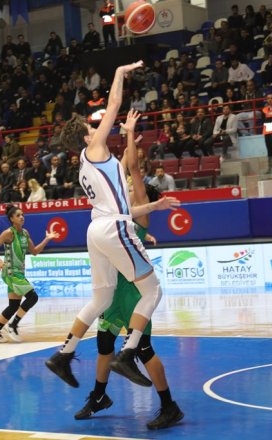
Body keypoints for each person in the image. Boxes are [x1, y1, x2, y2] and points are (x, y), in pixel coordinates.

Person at [45, 61, 180, 390]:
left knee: (101, 300)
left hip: (97, 230)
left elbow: (123, 193)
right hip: (112, 229)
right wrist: (119, 72)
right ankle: (128, 353)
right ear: (86, 135)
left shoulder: (87, 164)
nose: (97, 127)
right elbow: (115, 104)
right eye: (92, 127)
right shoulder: (93, 148)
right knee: (152, 290)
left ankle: (63, 355)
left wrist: (154, 205)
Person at [74, 125, 183, 430]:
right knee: (104, 343)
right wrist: (126, 145)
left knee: (144, 350)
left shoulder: (138, 215)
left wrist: (130, 140)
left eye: (134, 190)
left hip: (132, 294)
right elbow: (121, 165)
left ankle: (169, 405)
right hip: (115, 293)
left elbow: (132, 168)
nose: (130, 190)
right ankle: (98, 396)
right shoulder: (119, 208)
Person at [0, 205, 59, 343]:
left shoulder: (25, 233)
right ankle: (13, 325)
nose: (22, 217)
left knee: (14, 305)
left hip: (19, 273)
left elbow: (35, 251)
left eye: (22, 215)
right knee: (33, 297)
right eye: (18, 215)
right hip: (10, 273)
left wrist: (47, 238)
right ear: (12, 219)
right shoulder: (8, 233)